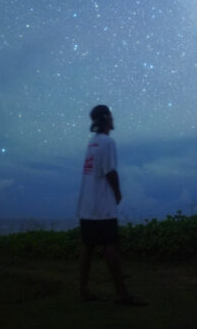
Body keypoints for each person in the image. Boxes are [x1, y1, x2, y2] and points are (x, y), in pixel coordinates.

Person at [77, 105, 147, 306]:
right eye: (111, 117)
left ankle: (83, 291)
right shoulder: (108, 142)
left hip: (87, 205)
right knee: (111, 246)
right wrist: (117, 193)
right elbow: (110, 171)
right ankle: (122, 294)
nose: (114, 120)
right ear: (107, 118)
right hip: (102, 205)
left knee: (87, 247)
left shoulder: (93, 143)